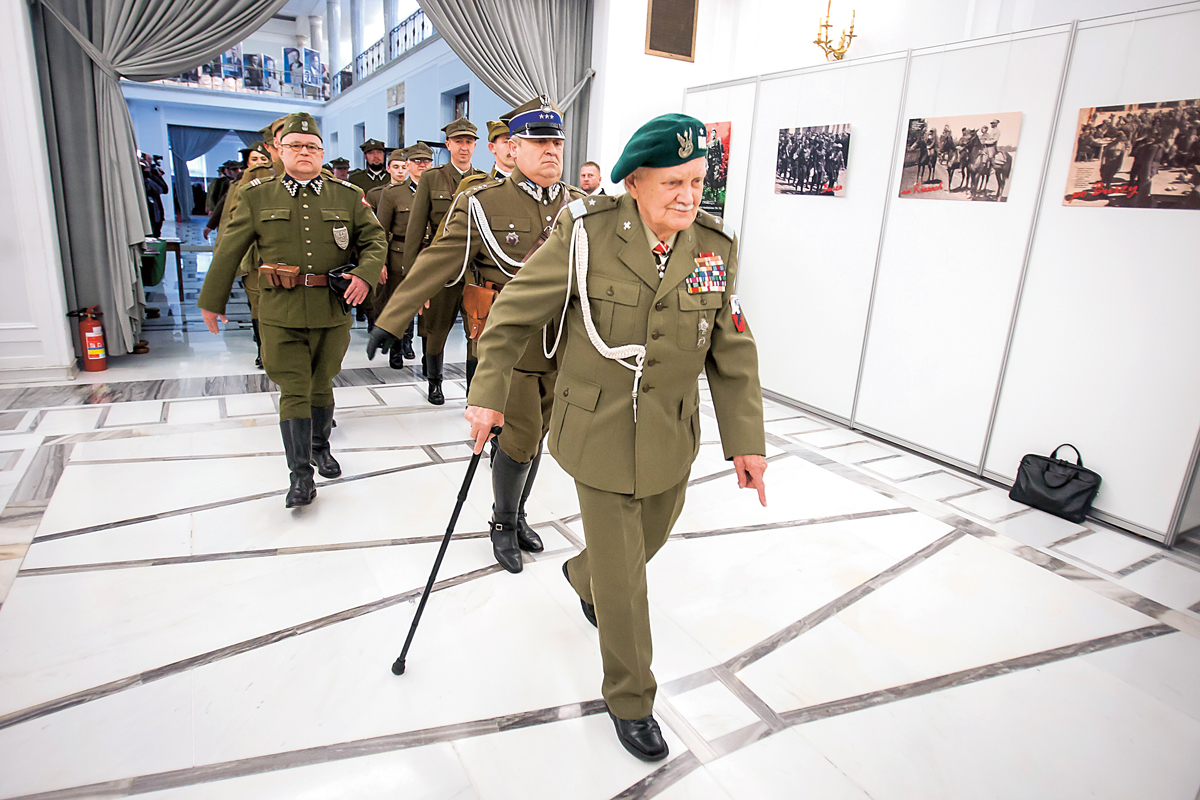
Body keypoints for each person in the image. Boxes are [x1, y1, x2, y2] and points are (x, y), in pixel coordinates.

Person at [461, 113, 767, 762]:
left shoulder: (712, 247)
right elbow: (515, 312)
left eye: (697, 181)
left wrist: (747, 440)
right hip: (597, 425)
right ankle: (631, 699)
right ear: (633, 183)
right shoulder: (586, 236)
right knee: (626, 582)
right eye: (671, 184)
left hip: (669, 432)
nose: (689, 196)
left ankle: (580, 574)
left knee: (646, 539)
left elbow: (731, 349)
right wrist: (487, 394)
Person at [369, 97, 584, 573]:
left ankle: (519, 512)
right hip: (510, 344)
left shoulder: (580, 206)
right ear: (514, 147)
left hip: (563, 343)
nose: (552, 151)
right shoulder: (485, 203)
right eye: (540, 142)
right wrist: (393, 317)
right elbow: (438, 259)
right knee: (520, 435)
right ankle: (503, 522)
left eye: (558, 142)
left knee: (540, 435)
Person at [197, 113, 386, 508]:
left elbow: (374, 240)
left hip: (331, 308)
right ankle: (300, 476)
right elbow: (229, 248)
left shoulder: (346, 196)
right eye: (295, 146)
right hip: (279, 311)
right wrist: (211, 301)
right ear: (279, 152)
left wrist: (365, 275)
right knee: (294, 388)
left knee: (322, 382)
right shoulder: (257, 195)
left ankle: (321, 447)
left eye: (312, 147)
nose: (304, 152)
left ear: (321, 154)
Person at [399, 118, 483, 404]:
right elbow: (414, 232)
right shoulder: (432, 179)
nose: (463, 147)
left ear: (475, 146)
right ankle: (435, 383)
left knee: (477, 332)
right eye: (458, 141)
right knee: (435, 331)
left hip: (474, 272)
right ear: (448, 145)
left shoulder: (486, 181)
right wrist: (416, 281)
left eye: (468, 142)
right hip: (441, 271)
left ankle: (474, 390)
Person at [371, 142, 433, 368]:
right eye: (417, 161)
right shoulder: (393, 194)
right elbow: (380, 232)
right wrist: (381, 263)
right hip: (399, 255)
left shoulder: (438, 192)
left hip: (428, 258)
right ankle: (396, 348)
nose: (422, 165)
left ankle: (421, 351)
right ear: (408, 165)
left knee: (428, 310)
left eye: (426, 161)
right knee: (398, 304)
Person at [140, 153, 168, 238]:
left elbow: (164, 189)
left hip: (156, 211)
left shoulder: (152, 178)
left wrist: (156, 175)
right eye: (148, 159)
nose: (149, 162)